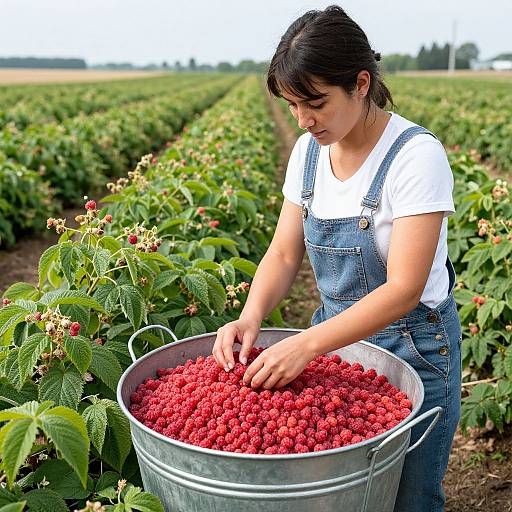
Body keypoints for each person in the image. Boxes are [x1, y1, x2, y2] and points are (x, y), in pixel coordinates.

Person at [212, 5, 462, 511]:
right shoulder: (307, 154)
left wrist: (305, 346)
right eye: (293, 107)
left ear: (362, 83)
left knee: (407, 497)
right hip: (338, 351)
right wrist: (250, 316)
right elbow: (284, 252)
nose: (305, 121)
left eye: (317, 104)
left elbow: (404, 288)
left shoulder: (414, 157)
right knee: (339, 496)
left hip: (413, 348)